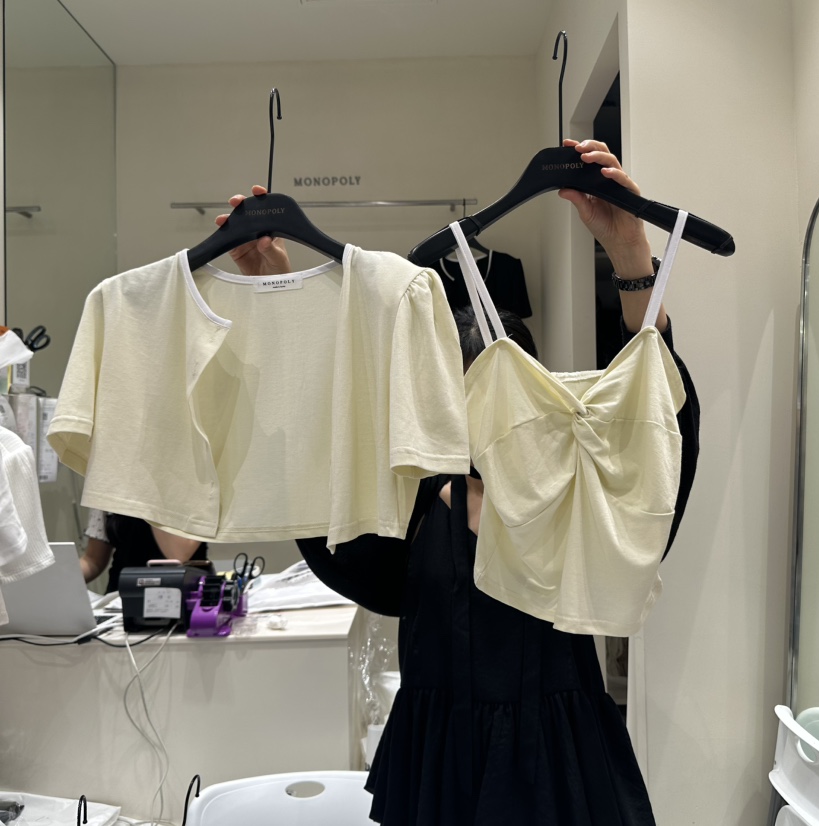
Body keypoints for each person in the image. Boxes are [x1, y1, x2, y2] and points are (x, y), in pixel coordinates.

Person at [218, 139, 700, 825]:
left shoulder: (581, 496)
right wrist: (277, 297)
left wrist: (630, 259)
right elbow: (319, 472)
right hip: (437, 770)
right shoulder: (412, 507)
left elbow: (655, 429)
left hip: (560, 771)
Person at [80, 509, 208, 593]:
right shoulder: (108, 480)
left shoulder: (196, 480)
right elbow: (93, 559)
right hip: (119, 600)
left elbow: (178, 554)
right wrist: (68, 577)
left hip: (182, 597)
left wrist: (148, 488)